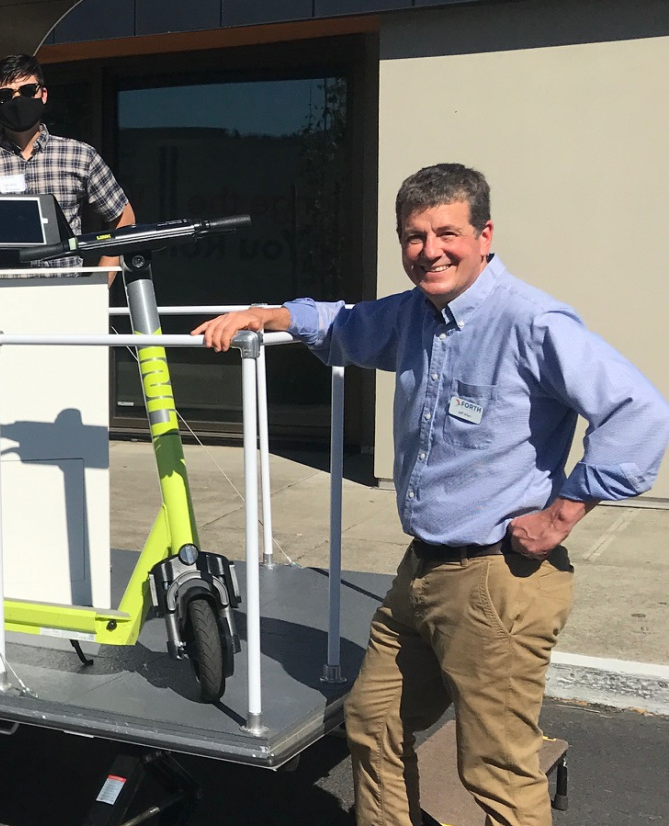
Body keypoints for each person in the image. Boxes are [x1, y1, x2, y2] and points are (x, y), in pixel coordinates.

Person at [192, 164, 669, 826]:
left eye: (447, 233)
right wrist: (266, 315)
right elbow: (345, 323)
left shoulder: (530, 322)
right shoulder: (417, 314)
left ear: (484, 235)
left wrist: (565, 511)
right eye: (413, 237)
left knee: (496, 769)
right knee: (372, 721)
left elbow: (639, 412)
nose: (429, 251)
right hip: (422, 572)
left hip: (498, 579)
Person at [0, 53, 135, 269]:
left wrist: (100, 283)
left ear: (43, 94)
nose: (17, 100)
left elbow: (123, 218)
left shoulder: (80, 156)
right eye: (5, 95)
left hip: (63, 295)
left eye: (27, 91)